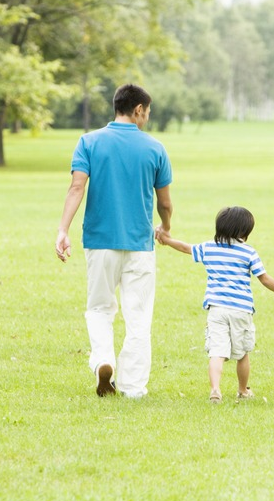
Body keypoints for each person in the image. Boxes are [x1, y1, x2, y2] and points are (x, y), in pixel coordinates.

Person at [55, 83, 173, 399]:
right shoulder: (154, 148)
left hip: (99, 241)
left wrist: (62, 230)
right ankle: (133, 387)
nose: (147, 118)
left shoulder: (89, 142)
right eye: (147, 112)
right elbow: (164, 202)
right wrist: (165, 226)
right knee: (138, 316)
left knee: (99, 309)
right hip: (139, 244)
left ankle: (103, 360)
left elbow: (76, 188)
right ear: (138, 110)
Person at [156, 206, 274, 403]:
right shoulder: (248, 252)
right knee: (242, 354)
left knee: (217, 352)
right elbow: (264, 279)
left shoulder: (209, 248)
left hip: (217, 308)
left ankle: (215, 389)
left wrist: (166, 240)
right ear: (244, 232)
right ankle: (242, 390)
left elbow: (185, 247)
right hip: (241, 309)